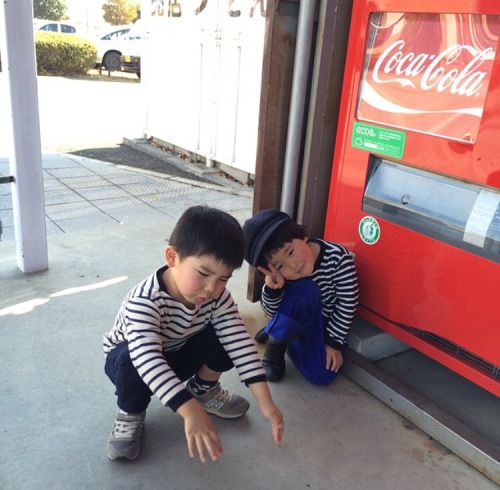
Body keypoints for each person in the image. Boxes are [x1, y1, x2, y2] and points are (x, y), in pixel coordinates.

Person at [103, 206, 284, 462]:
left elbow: (239, 342)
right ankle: (130, 412)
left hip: (179, 349)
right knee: (131, 359)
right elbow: (148, 359)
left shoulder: (216, 295)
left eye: (224, 278)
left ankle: (203, 389)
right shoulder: (144, 301)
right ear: (172, 257)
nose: (212, 288)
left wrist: (265, 401)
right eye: (203, 273)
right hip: (132, 365)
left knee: (229, 333)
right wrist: (189, 411)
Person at [242, 209, 359, 386]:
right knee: (307, 289)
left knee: (322, 375)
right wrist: (273, 289)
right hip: (295, 315)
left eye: (290, 252)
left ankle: (282, 334)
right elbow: (271, 310)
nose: (293, 264)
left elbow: (347, 303)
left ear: (303, 236)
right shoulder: (284, 276)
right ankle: (276, 345)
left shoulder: (338, 258)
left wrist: (334, 342)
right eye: (280, 265)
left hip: (322, 323)